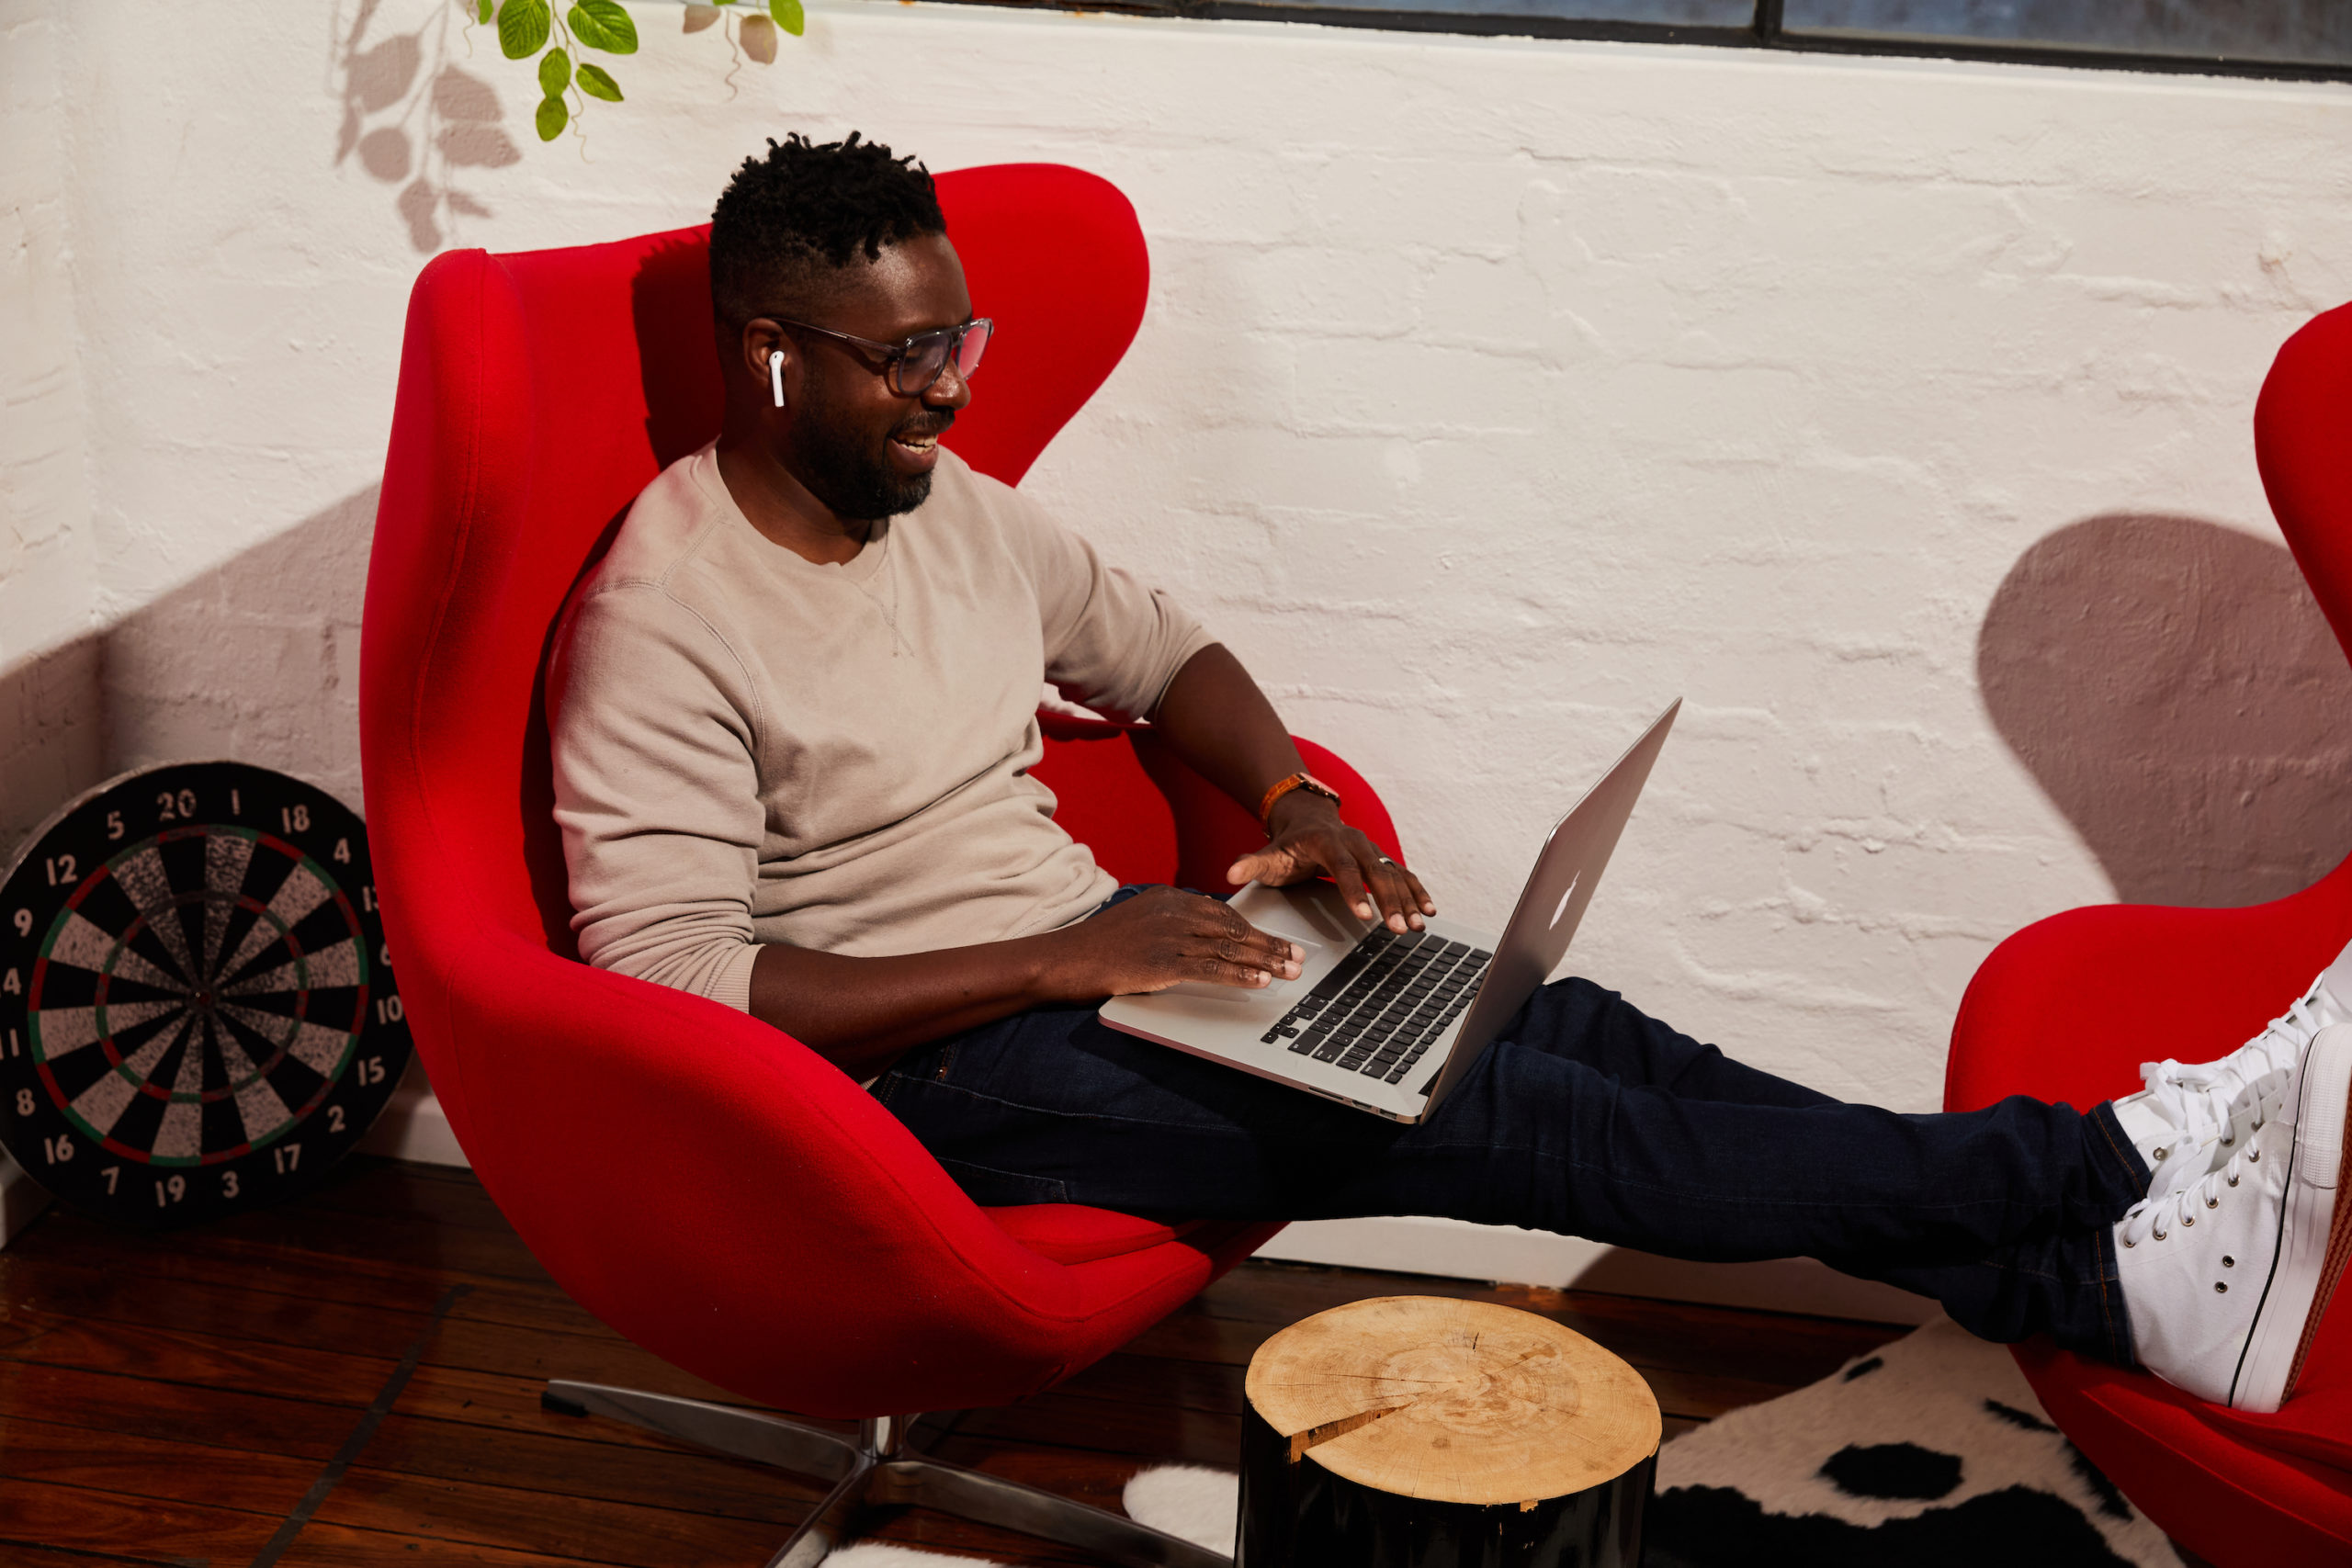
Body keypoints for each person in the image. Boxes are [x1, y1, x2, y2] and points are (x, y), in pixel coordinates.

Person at [546, 131, 2350, 1416]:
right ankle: (2109, 1164)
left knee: (1572, 1031)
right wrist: (1054, 960)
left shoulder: (947, 514)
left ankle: (2099, 1268)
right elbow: (677, 985)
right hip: (921, 1078)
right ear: (771, 354)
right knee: (1514, 1116)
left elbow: (1167, 657)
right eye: (905, 358)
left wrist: (1292, 806)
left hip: (1107, 962)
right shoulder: (665, 612)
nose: (948, 392)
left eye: (962, 341)